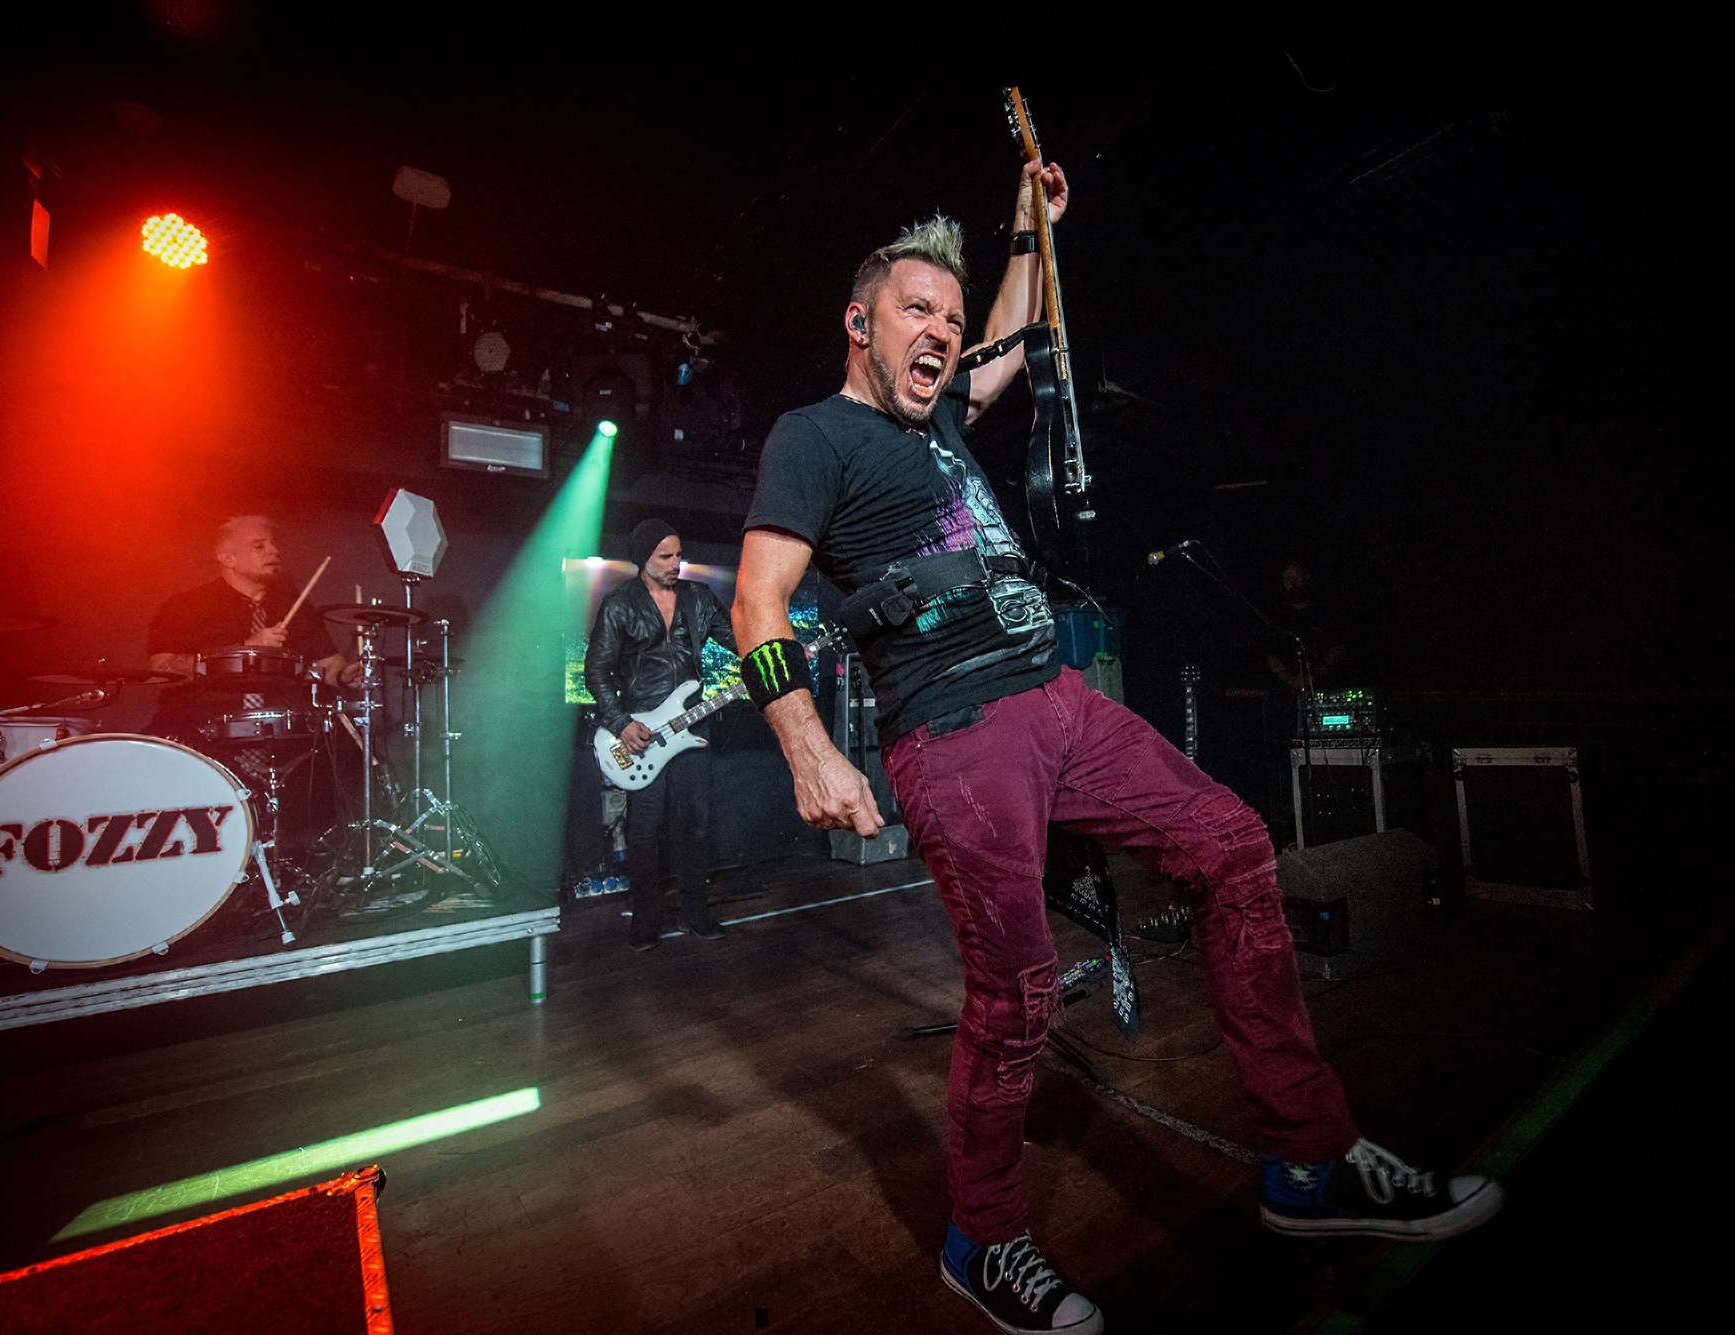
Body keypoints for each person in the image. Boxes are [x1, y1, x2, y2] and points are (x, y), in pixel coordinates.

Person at [732, 160, 1501, 1334]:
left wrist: (1029, 229)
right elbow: (756, 602)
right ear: (857, 323)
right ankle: (981, 1242)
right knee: (1017, 994)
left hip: (1056, 700)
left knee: (1233, 849)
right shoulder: (813, 436)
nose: (939, 332)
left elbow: (1010, 332)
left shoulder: (944, 414)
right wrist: (805, 749)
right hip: (952, 731)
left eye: (948, 318)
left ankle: (1309, 1163)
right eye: (913, 311)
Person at [583, 518, 737, 949]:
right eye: (665, 556)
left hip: (692, 726)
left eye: (679, 554)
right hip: (642, 731)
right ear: (642, 559)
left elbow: (737, 640)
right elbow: (596, 671)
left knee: (696, 824)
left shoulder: (699, 599)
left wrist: (775, 649)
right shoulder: (619, 605)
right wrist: (621, 723)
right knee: (645, 829)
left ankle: (695, 913)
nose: (676, 563)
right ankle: (645, 920)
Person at [148, 515, 358, 724]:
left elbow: (328, 663)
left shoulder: (296, 606)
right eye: (259, 546)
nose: (274, 550)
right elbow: (160, 673)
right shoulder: (185, 606)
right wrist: (246, 651)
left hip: (283, 734)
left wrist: (342, 675)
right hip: (202, 731)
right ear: (228, 559)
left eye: (274, 543)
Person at [1264, 557, 1349, 694]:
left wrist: (1314, 676)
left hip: (1326, 685)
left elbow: (1338, 648)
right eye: (1287, 579)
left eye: (1296, 578)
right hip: (1287, 689)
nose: (1292, 584)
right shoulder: (1276, 615)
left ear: (1307, 578)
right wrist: (1291, 680)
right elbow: (1270, 653)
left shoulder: (1326, 611)